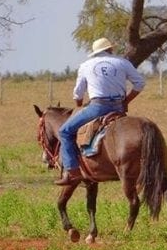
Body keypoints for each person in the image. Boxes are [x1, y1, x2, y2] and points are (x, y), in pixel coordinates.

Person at [55, 37, 146, 185]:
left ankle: (72, 172)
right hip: (118, 107)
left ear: (95, 52)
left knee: (65, 131)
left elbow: (78, 93)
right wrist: (126, 100)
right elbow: (140, 83)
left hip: (97, 107)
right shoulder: (122, 62)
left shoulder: (86, 65)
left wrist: (79, 105)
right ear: (110, 49)